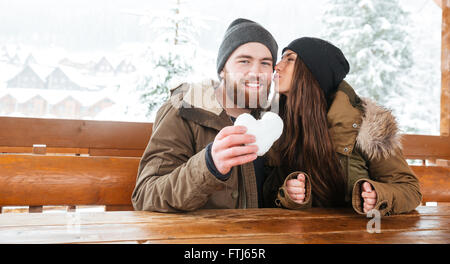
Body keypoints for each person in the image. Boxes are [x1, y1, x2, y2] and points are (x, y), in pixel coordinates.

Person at [263, 37, 422, 216]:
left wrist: (378, 196)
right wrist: (288, 194)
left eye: (289, 59)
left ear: (314, 72)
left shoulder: (366, 124)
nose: (277, 66)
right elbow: (266, 192)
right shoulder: (276, 124)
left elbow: (410, 190)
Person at [132, 18, 278, 212]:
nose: (256, 72)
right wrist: (209, 165)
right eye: (244, 61)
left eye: (265, 63)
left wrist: (291, 194)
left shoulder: (270, 122)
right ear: (222, 70)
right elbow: (145, 196)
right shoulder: (184, 109)